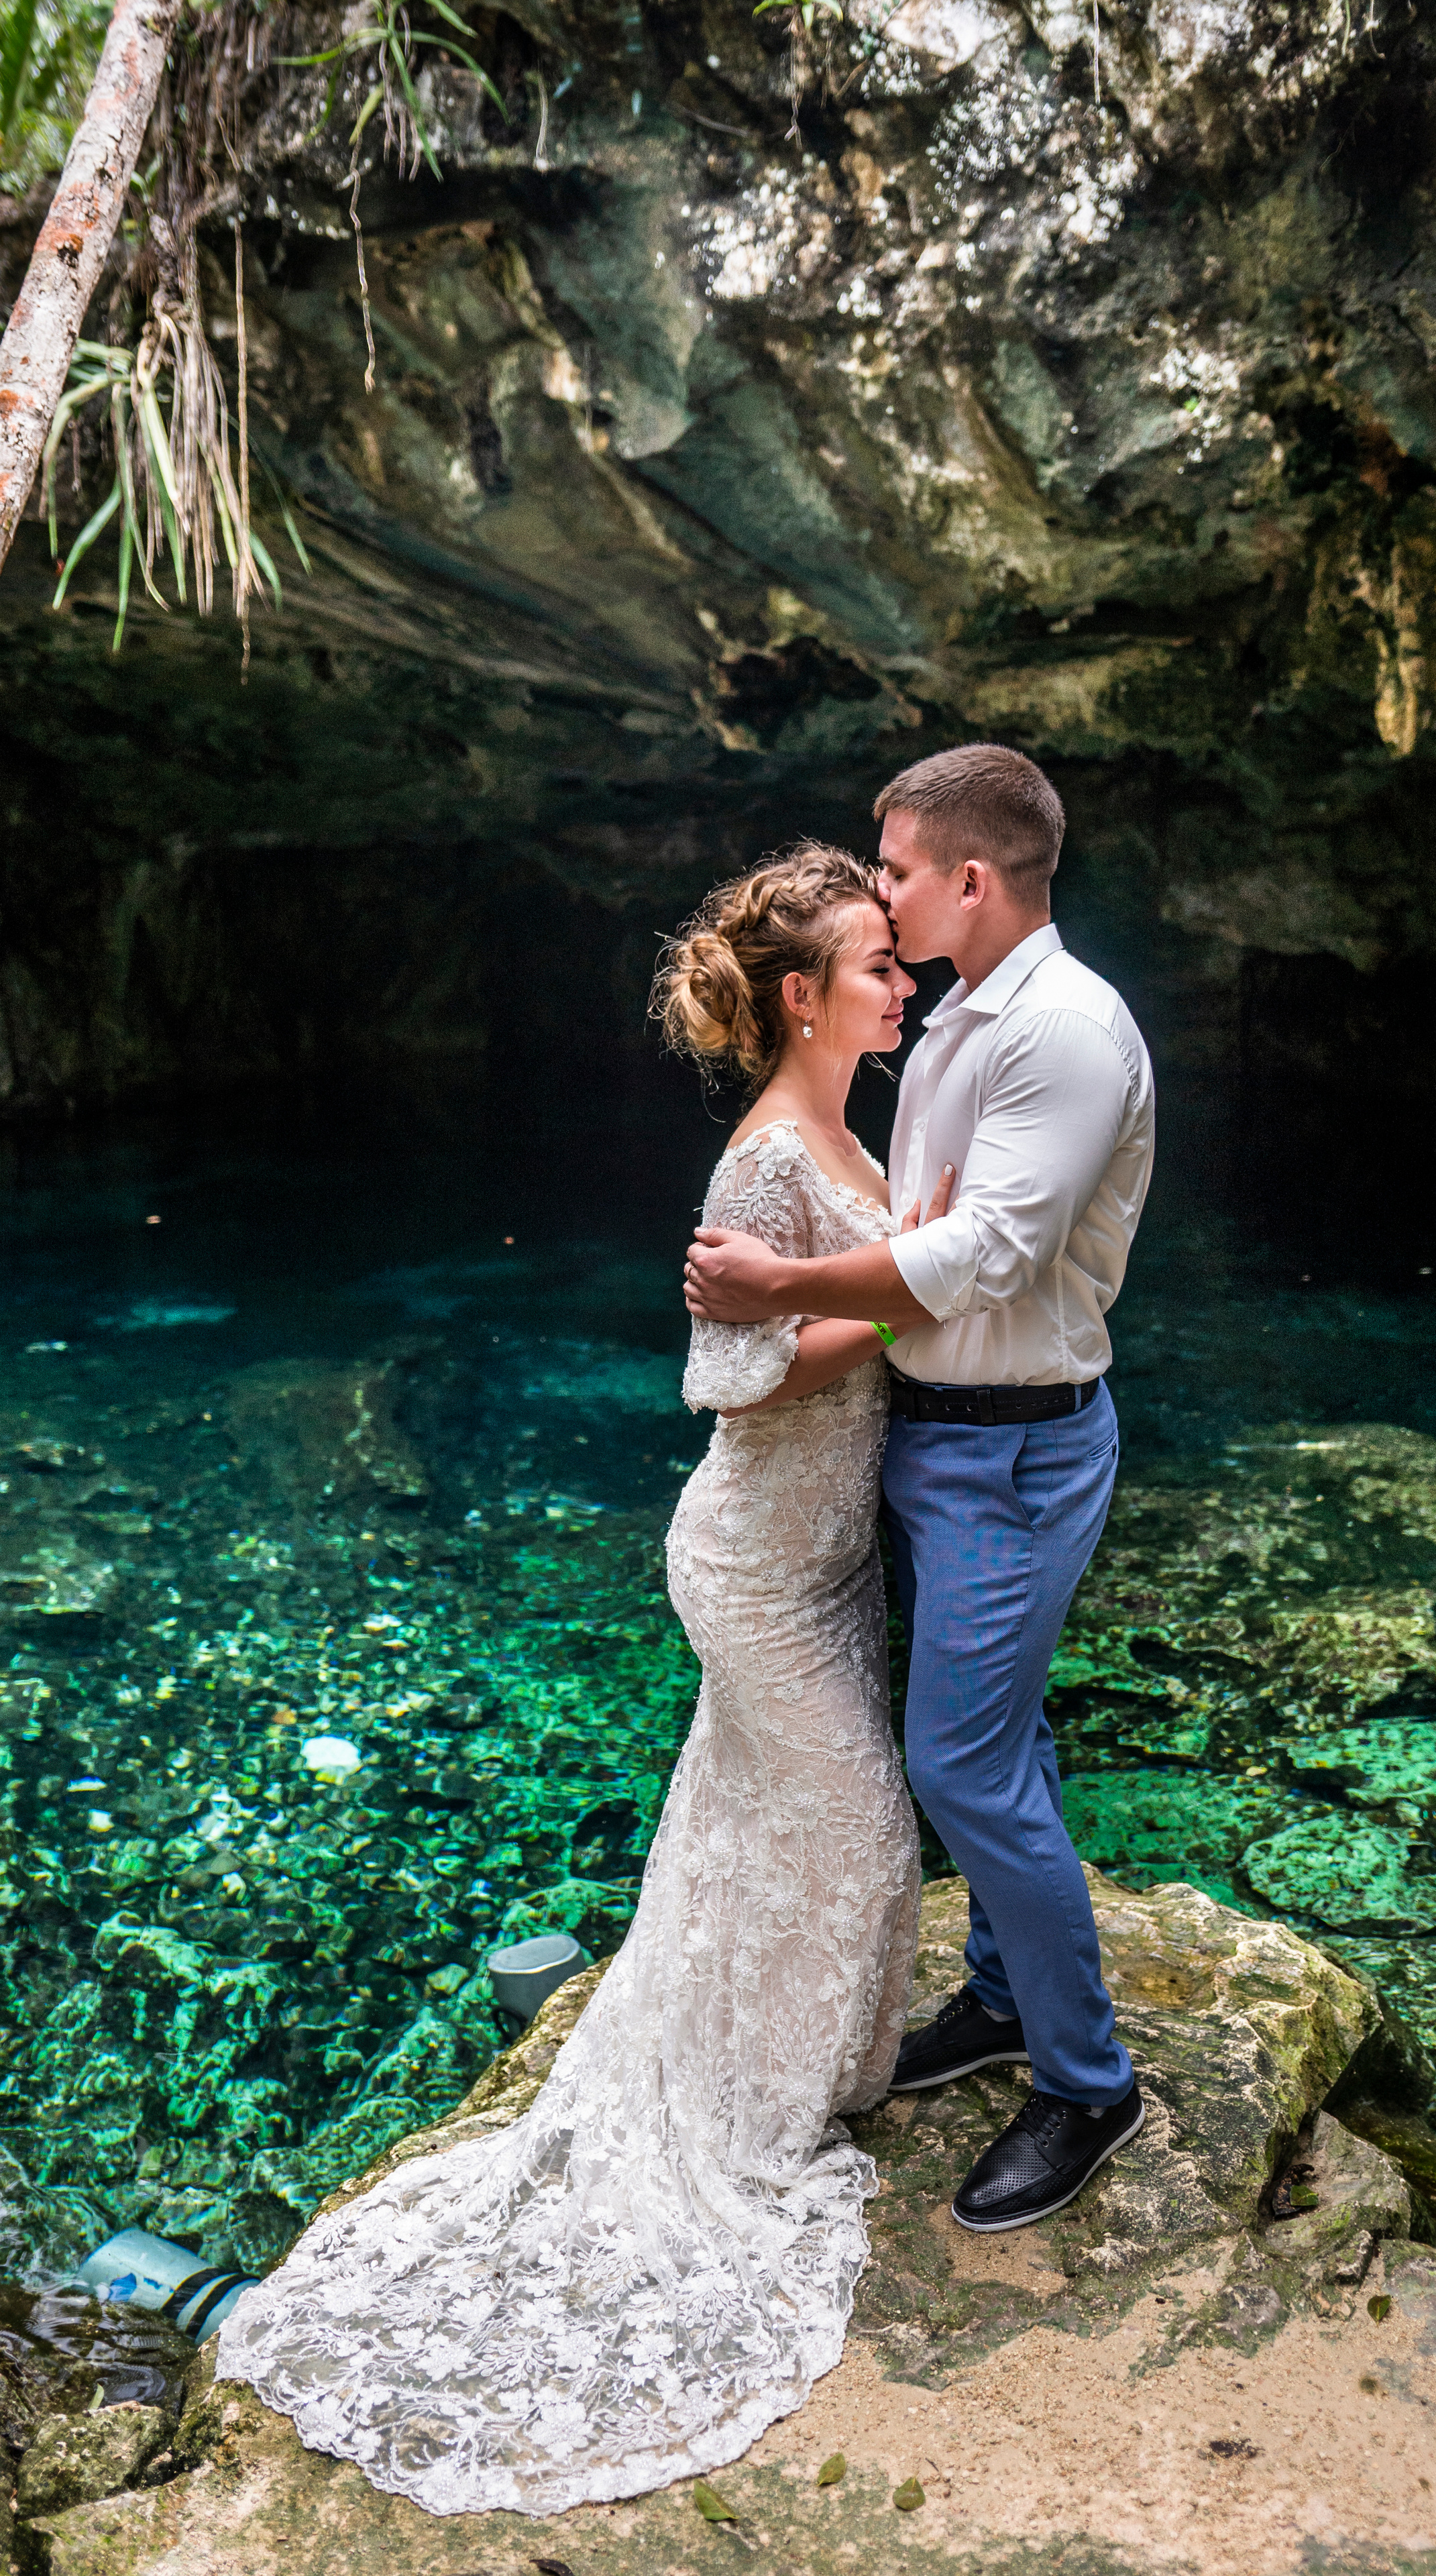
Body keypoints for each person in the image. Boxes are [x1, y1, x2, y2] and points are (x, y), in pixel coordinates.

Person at [214, 843, 951, 2516]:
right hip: (756, 1563)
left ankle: (779, 2070)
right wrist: (906, 1296)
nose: (901, 985)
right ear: (800, 996)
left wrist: (904, 1279)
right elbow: (725, 1374)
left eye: (897, 962)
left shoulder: (853, 1124)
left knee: (760, 1816)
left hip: (830, 1561)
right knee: (848, 1818)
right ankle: (765, 2125)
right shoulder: (767, 1160)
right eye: (874, 966)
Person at [684, 745, 1156, 2235]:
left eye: (893, 871)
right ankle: (1014, 2003)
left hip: (1011, 1445)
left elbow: (978, 1260)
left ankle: (1089, 2084)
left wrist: (782, 1284)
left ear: (970, 877)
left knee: (957, 1766)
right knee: (995, 1739)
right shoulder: (961, 1015)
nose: (879, 895)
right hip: (939, 1442)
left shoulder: (1067, 1031)